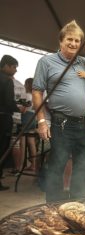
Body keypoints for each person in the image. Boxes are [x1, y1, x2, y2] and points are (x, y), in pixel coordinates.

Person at [32, 20, 85, 202]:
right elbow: (37, 92)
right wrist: (42, 121)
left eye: (77, 41)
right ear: (61, 41)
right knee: (57, 165)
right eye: (69, 40)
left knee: (83, 167)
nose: (73, 44)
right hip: (61, 123)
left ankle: (78, 207)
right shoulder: (46, 61)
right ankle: (54, 210)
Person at [0, 55, 23, 190]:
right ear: (6, 66)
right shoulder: (7, 81)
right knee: (2, 149)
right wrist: (18, 108)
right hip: (3, 119)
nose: (15, 70)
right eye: (14, 67)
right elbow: (9, 102)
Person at [21, 78, 37, 172]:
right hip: (33, 118)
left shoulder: (27, 95)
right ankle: (33, 165)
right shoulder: (35, 96)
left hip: (26, 118)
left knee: (22, 143)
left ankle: (20, 166)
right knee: (32, 143)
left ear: (27, 85)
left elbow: (23, 110)